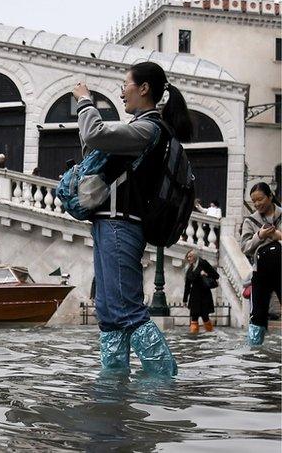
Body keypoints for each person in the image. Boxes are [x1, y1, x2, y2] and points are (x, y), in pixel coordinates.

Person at [74, 61, 193, 376]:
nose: (121, 90)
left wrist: (85, 101)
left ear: (144, 88)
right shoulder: (143, 128)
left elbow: (95, 134)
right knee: (110, 314)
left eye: (125, 83)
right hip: (110, 222)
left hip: (120, 223)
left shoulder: (148, 128)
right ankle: (112, 386)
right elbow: (96, 147)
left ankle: (165, 379)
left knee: (127, 310)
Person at [240, 182, 282, 345]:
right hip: (261, 272)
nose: (257, 204)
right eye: (254, 201)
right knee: (257, 314)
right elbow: (245, 247)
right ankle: (255, 352)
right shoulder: (250, 221)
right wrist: (260, 235)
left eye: (260, 199)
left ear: (270, 196)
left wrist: (277, 235)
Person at [182, 250, 219, 333]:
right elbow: (187, 286)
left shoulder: (203, 263)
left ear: (195, 256)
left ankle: (210, 334)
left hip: (204, 294)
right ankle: (194, 337)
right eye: (187, 257)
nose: (189, 258)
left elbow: (216, 275)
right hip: (194, 295)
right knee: (194, 316)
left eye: (190, 256)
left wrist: (206, 274)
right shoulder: (189, 269)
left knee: (205, 316)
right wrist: (184, 300)